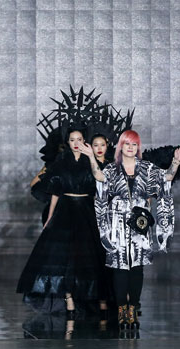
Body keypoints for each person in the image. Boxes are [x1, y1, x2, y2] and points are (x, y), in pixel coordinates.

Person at [87, 129, 180, 328]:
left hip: (139, 223)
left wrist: (176, 161)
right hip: (117, 222)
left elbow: (166, 178)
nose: (131, 147)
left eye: (134, 144)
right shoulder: (112, 169)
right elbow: (99, 177)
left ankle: (133, 308)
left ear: (138, 147)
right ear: (121, 146)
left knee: (136, 267)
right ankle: (121, 310)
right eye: (127, 144)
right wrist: (91, 156)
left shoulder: (147, 168)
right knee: (120, 267)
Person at [17, 128, 111, 316]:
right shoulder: (60, 163)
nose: (76, 143)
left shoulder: (91, 161)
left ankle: (96, 298)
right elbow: (55, 192)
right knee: (63, 257)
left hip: (87, 210)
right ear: (68, 142)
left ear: (84, 141)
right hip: (65, 210)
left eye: (79, 139)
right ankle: (69, 299)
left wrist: (91, 157)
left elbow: (100, 187)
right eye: (72, 139)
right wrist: (50, 217)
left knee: (89, 256)